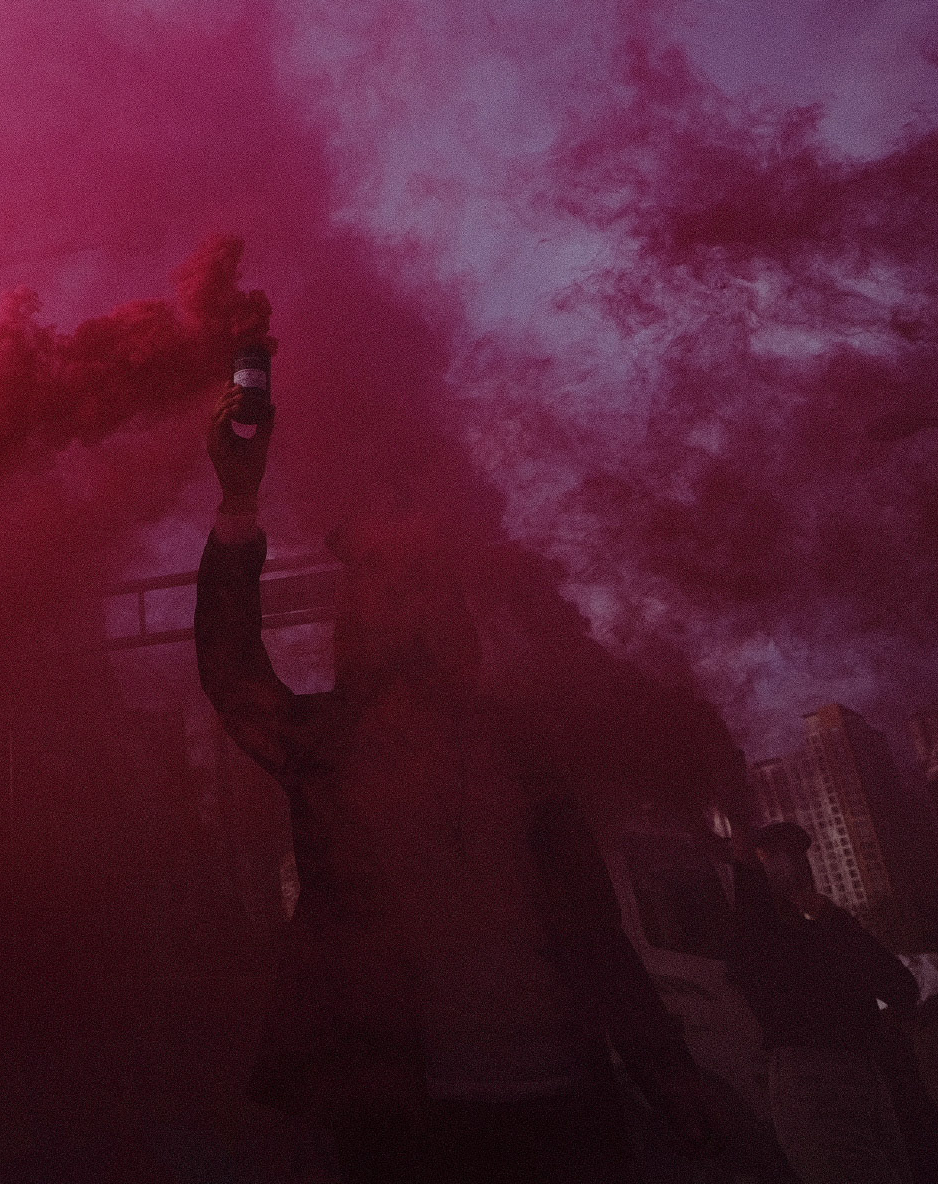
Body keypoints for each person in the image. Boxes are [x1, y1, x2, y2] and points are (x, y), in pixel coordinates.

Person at [194, 388, 715, 1181]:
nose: (403, 598)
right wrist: (237, 504)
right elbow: (233, 675)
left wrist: (664, 1069)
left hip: (566, 1112)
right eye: (379, 579)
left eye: (421, 579)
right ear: (355, 613)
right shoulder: (327, 746)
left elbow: (593, 930)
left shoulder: (521, 747)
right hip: (408, 1121)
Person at [726, 820, 922, 1184]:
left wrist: (829, 918)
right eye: (778, 857)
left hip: (856, 1076)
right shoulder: (762, 937)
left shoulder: (827, 929)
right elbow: (899, 987)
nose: (797, 867)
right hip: (818, 1081)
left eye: (798, 856)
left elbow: (900, 986)